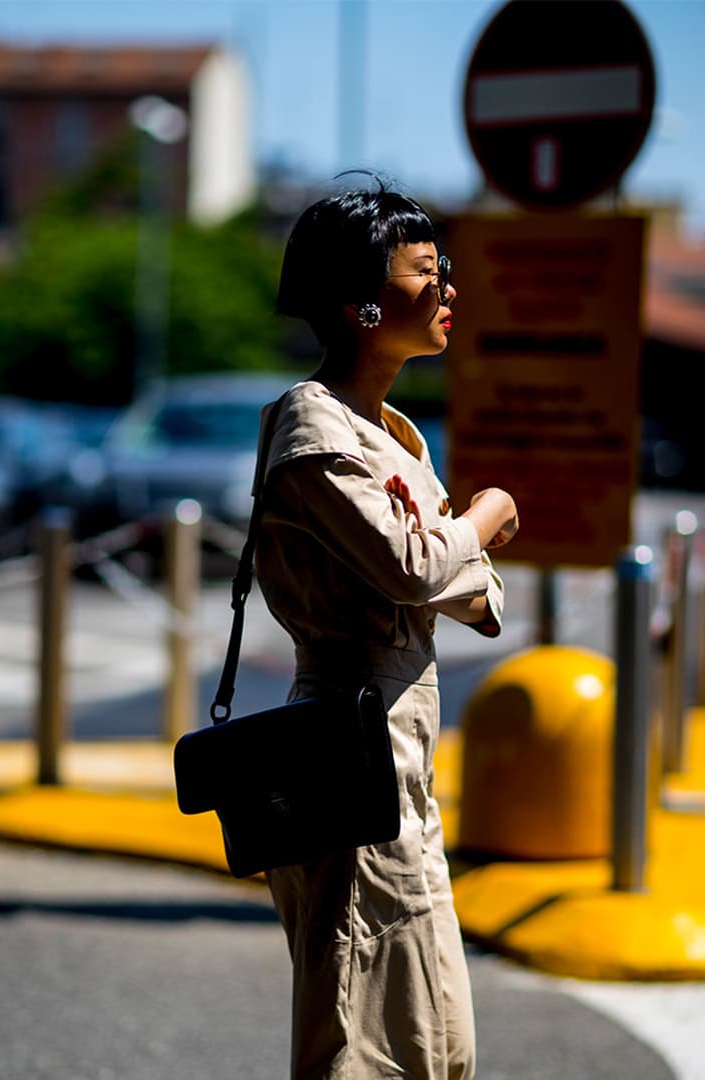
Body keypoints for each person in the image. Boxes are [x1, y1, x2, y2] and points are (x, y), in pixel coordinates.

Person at [254, 180, 518, 1079]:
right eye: (425, 273)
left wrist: (452, 548)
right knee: (363, 1041)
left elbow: (477, 600)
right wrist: (484, 515)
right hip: (344, 752)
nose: (449, 291)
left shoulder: (393, 434)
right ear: (361, 303)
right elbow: (420, 568)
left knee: (436, 1039)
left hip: (401, 753)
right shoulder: (312, 423)